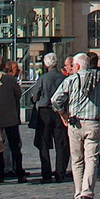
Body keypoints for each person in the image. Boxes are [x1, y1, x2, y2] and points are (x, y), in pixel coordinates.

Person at [52, 52, 100, 199]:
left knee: (77, 159)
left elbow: (55, 100)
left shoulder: (71, 80)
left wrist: (63, 114)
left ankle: (78, 193)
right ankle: (87, 191)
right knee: (92, 158)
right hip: (93, 122)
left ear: (77, 66)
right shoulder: (99, 79)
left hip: (74, 123)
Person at [29, 53, 69, 182]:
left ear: (46, 65)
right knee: (61, 143)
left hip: (45, 111)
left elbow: (35, 95)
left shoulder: (43, 78)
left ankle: (46, 174)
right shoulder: (63, 78)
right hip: (59, 112)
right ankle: (60, 173)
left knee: (44, 143)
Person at [0, 57, 27, 184]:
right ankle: (18, 172)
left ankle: (0, 172)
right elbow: (18, 94)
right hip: (10, 116)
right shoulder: (10, 80)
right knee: (14, 146)